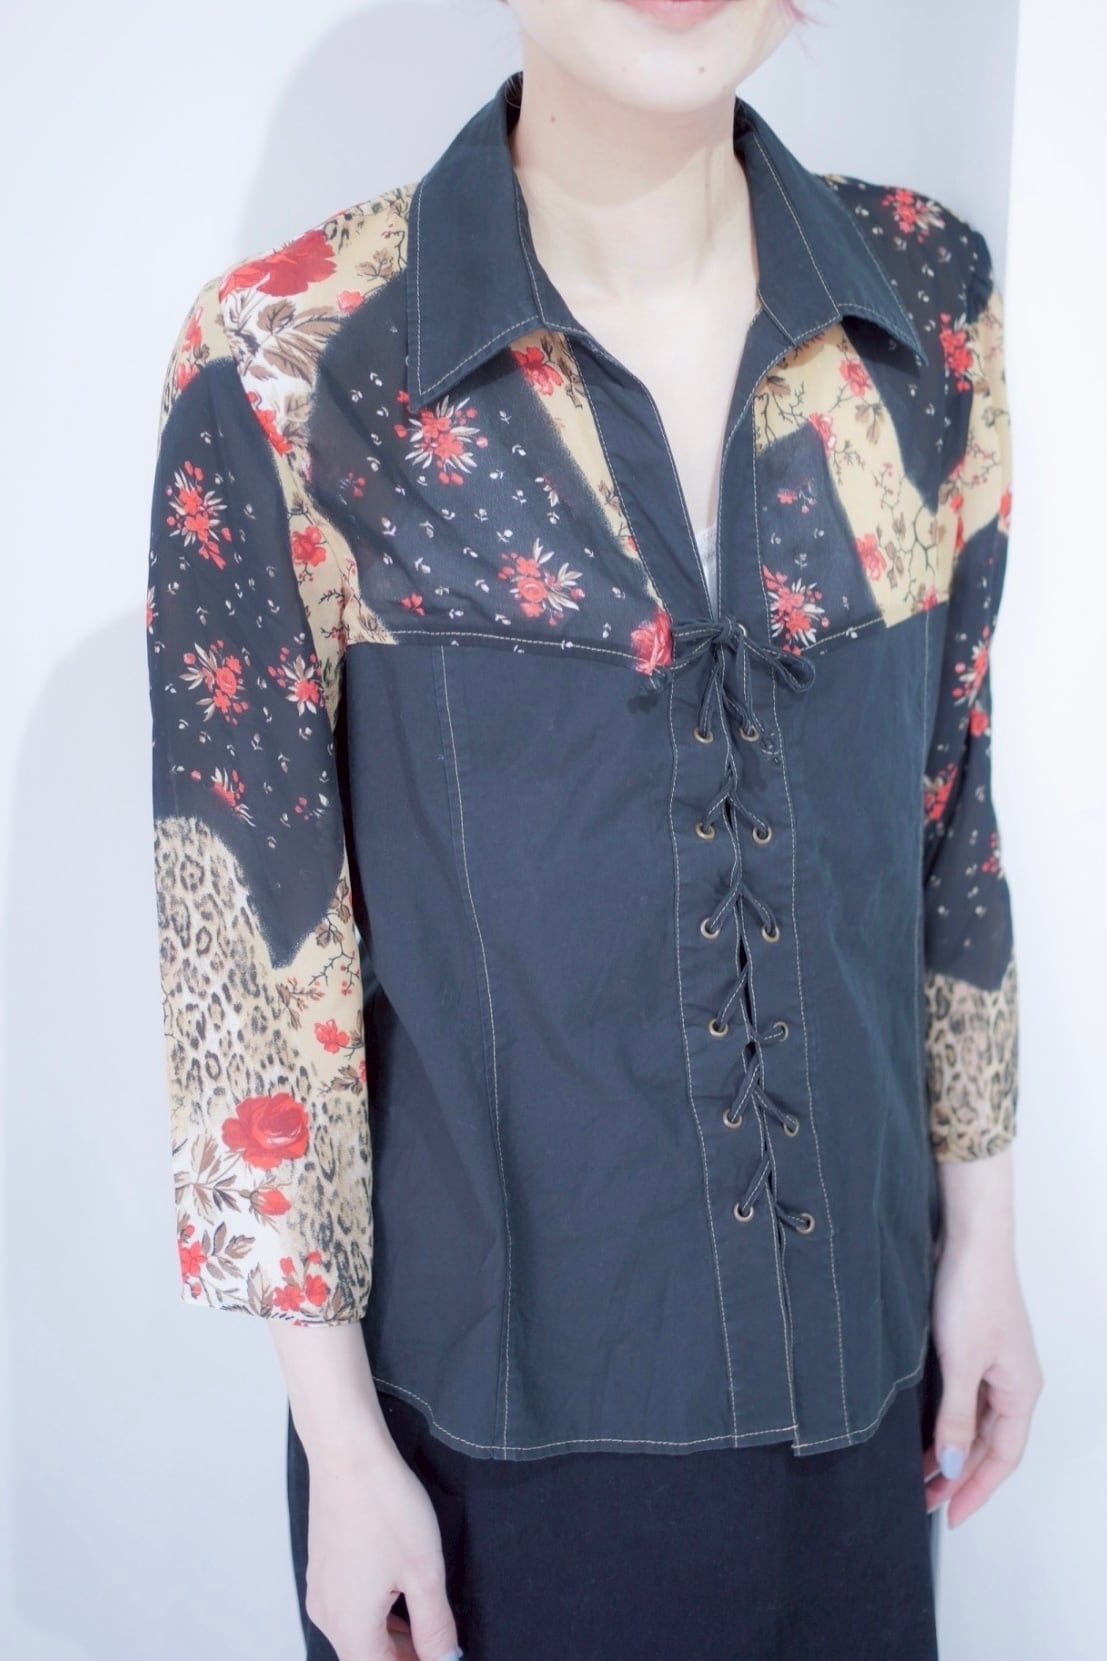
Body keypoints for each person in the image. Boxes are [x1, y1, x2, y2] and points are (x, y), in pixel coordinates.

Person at [145, 2, 1044, 1657]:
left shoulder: (928, 309)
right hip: (485, 1465)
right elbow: (255, 963)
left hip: (865, 1400)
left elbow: (949, 801)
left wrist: (983, 1239)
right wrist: (340, 1444)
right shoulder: (289, 359)